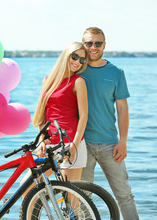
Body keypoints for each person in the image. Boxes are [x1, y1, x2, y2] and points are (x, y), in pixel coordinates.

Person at [79, 27, 139, 219]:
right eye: (89, 43)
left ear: (104, 45)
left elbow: (122, 109)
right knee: (81, 197)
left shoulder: (116, 72)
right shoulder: (75, 70)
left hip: (110, 144)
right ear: (83, 45)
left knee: (124, 195)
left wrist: (123, 141)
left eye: (98, 43)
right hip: (81, 144)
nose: (93, 47)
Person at [33, 41, 89, 181]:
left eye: (82, 60)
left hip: (70, 143)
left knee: (70, 198)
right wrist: (41, 141)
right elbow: (42, 115)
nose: (78, 62)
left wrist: (74, 147)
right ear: (66, 55)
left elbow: (84, 116)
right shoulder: (47, 81)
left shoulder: (78, 82)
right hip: (49, 145)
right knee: (28, 187)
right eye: (75, 57)